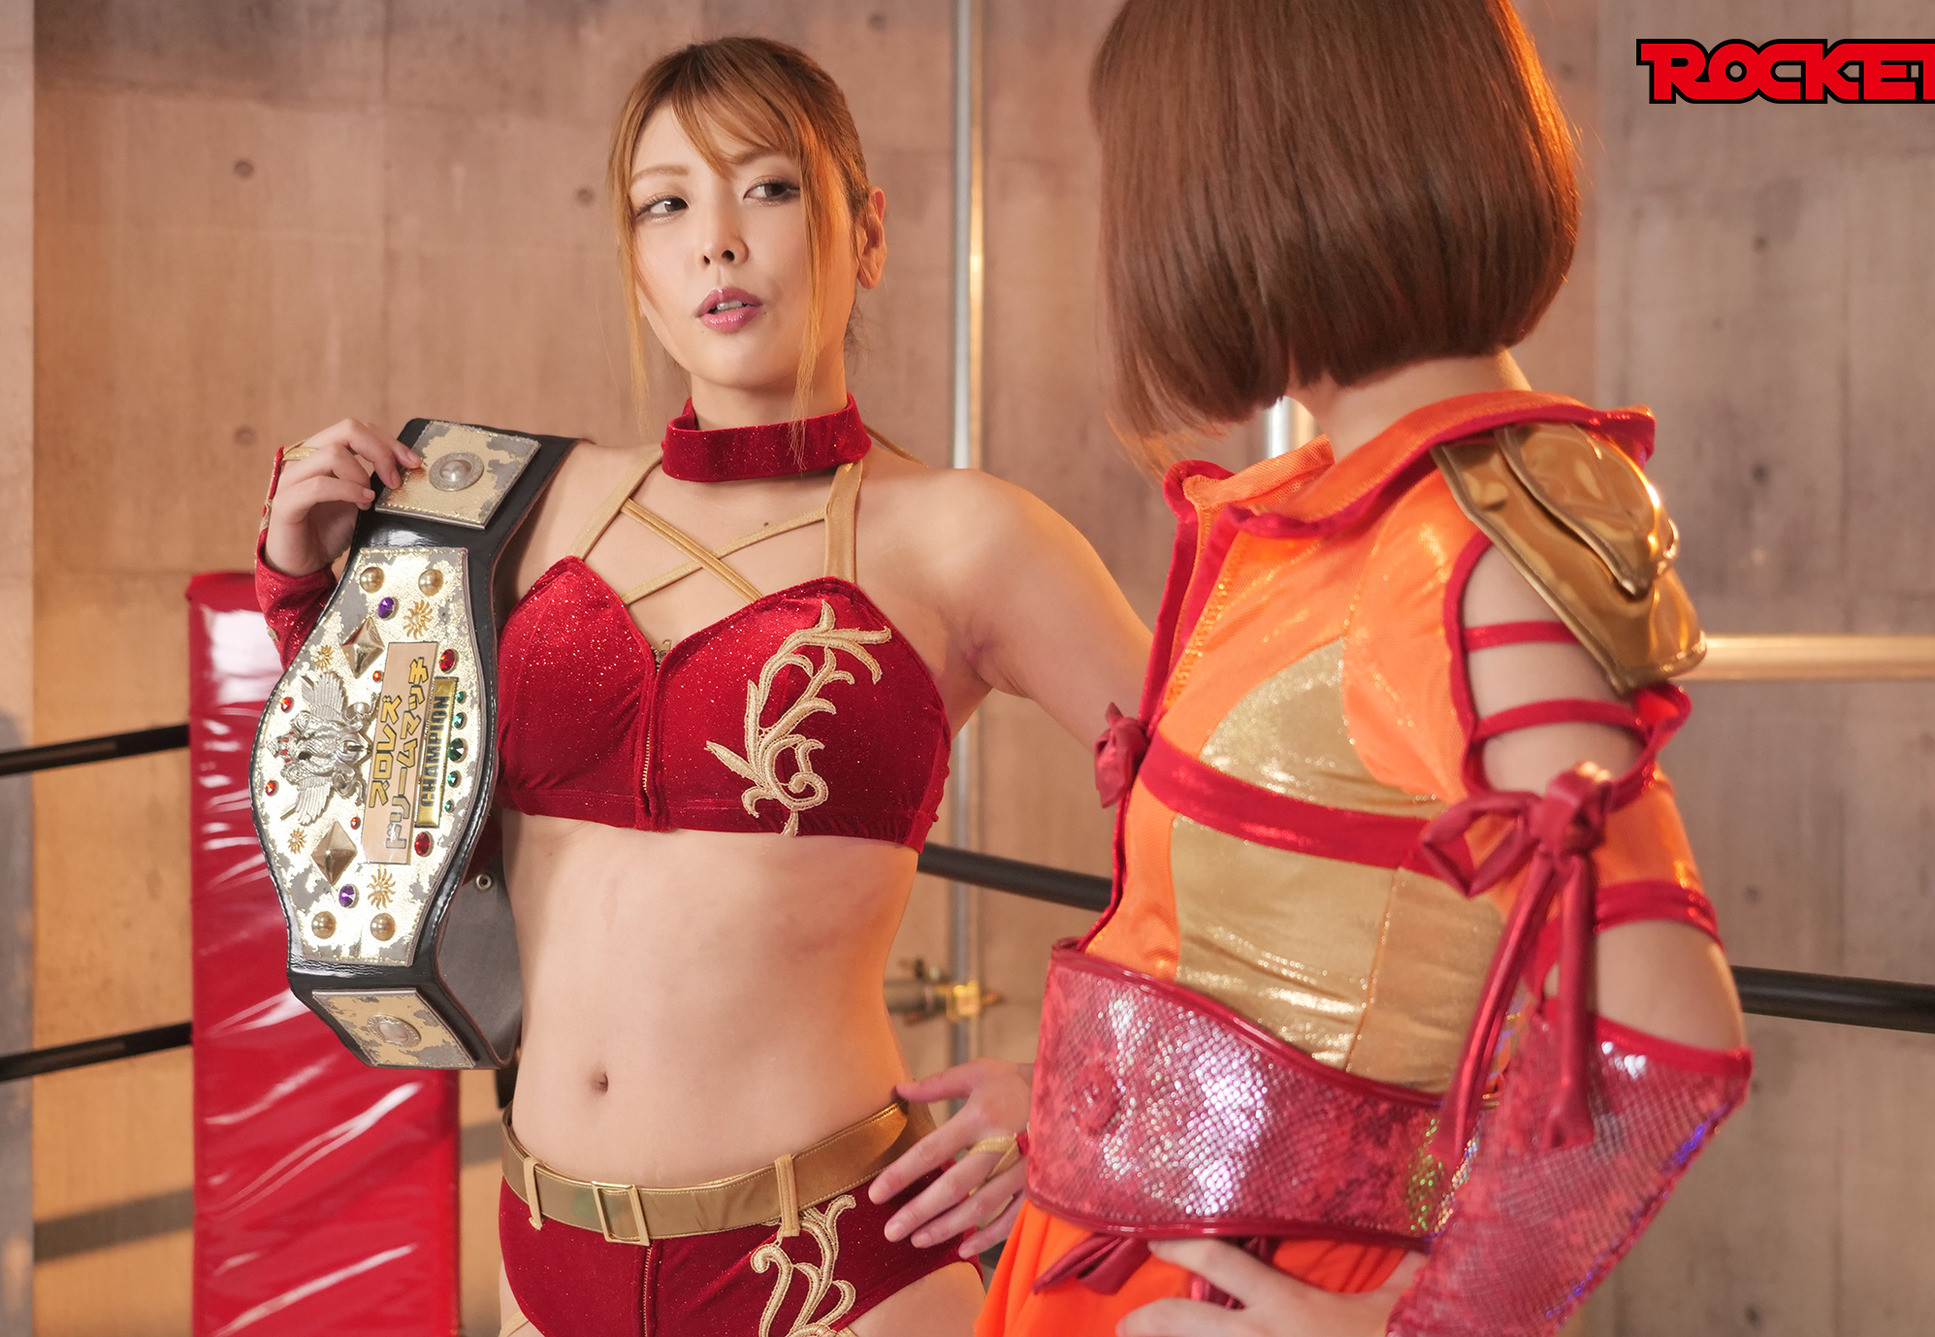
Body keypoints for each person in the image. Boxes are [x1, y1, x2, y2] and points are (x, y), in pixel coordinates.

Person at [254, 37, 1148, 1337]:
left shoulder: (967, 537)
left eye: (769, 188)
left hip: (835, 1267)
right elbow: (373, 814)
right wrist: (304, 580)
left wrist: (1079, 1091)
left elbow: (1222, 816)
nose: (716, 241)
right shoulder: (521, 506)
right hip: (544, 1257)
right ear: (636, 266)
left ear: (868, 232)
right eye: (664, 205)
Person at [980, 3, 1751, 1335]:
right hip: (1130, 1254)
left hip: (1245, 1286)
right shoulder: (1353, 509)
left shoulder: (1470, 543)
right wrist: (1070, 1114)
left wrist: (1423, 1328)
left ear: (1236, 183)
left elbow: (1665, 1029)